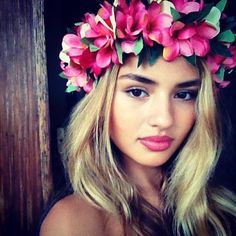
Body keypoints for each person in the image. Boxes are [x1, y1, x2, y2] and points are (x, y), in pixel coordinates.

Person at [40, 0, 236, 235]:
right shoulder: (75, 222)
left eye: (184, 95)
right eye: (137, 91)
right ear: (100, 103)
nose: (164, 119)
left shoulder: (220, 205)